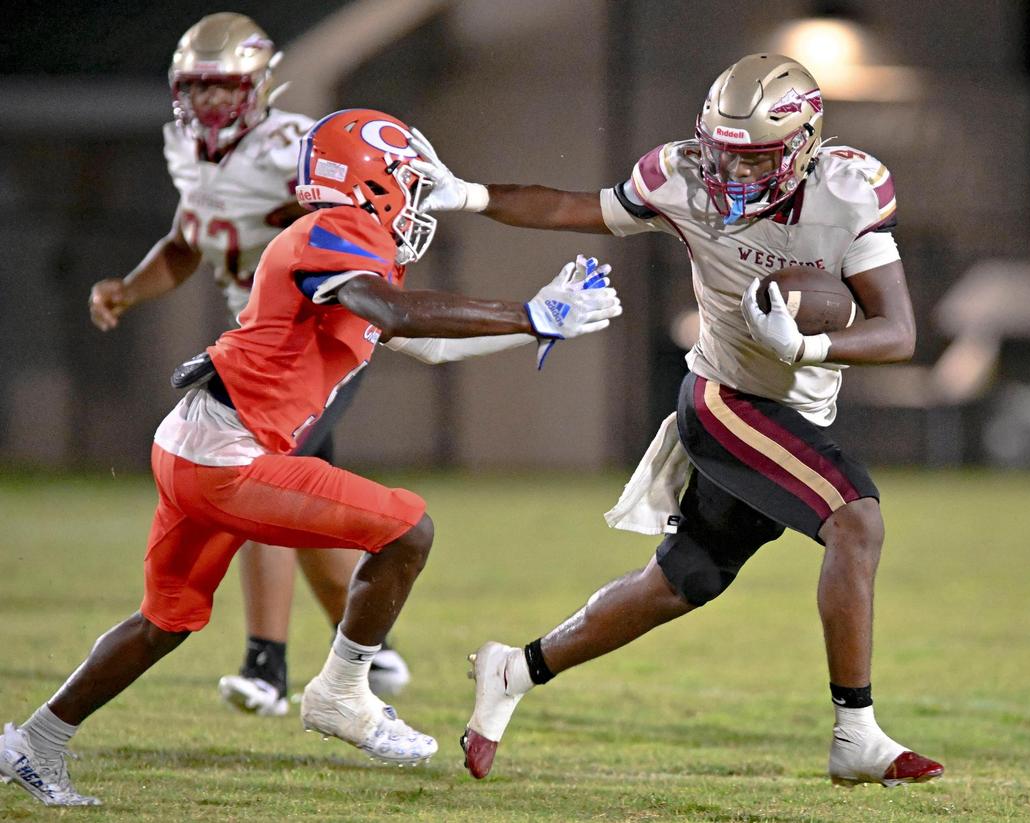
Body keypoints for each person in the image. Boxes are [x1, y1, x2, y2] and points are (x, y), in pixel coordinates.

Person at [1, 107, 622, 807]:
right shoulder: (342, 230)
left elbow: (431, 342)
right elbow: (396, 314)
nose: (418, 202)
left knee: (164, 621)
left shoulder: (347, 244)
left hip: (196, 440)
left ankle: (34, 741)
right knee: (406, 528)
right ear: (373, 183)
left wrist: (538, 324)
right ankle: (341, 691)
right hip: (226, 455)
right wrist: (528, 313)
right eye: (410, 183)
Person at [411, 52, 945, 787]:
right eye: (722, 154)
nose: (730, 175)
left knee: (680, 581)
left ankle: (514, 669)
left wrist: (812, 343)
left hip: (795, 404)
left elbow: (899, 331)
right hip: (727, 399)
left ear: (804, 147)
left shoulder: (849, 191)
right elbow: (574, 206)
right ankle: (856, 731)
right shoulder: (680, 177)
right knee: (857, 518)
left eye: (753, 160)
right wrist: (469, 195)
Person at [87, 12, 410, 716]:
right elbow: (185, 238)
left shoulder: (290, 146)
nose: (207, 103)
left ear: (260, 85)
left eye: (223, 87)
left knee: (264, 481)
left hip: (317, 334)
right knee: (299, 494)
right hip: (263, 344)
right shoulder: (187, 149)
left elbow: (352, 210)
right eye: (196, 88)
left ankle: (269, 665)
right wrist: (129, 289)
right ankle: (364, 645)